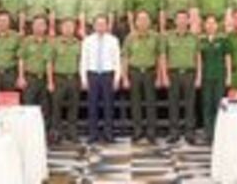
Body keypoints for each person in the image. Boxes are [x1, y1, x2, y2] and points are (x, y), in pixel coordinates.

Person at [122, 10, 162, 143]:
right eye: (140, 19)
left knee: (151, 103)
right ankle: (137, 131)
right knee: (135, 103)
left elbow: (159, 57)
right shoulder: (130, 38)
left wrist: (160, 76)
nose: (143, 22)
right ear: (136, 22)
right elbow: (125, 57)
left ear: (150, 22)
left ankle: (151, 132)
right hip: (135, 72)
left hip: (150, 72)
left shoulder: (156, 37)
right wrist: (125, 77)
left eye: (146, 19)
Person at [80, 15, 121, 144]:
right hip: (92, 74)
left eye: (103, 24)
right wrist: (83, 79)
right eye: (98, 24)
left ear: (107, 25)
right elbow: (84, 60)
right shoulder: (87, 41)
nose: (101, 27)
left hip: (108, 74)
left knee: (109, 106)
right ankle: (93, 134)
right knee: (92, 106)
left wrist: (117, 78)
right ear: (94, 26)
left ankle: (109, 134)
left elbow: (117, 60)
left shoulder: (113, 40)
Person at [161, 11, 199, 144]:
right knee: (173, 104)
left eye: (184, 19)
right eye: (179, 18)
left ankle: (190, 133)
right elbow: (163, 56)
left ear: (188, 21)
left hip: (189, 73)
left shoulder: (194, 37)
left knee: (190, 104)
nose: (182, 21)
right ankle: (174, 133)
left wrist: (198, 76)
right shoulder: (168, 37)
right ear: (175, 21)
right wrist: (164, 75)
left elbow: (198, 57)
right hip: (173, 74)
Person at [199, 15, 231, 143]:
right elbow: (199, 60)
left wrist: (229, 76)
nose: (210, 26)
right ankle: (208, 133)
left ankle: (219, 132)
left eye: (213, 23)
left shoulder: (223, 40)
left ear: (217, 25)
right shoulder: (201, 41)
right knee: (207, 104)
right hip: (206, 77)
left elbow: (227, 58)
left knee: (218, 104)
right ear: (204, 25)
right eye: (208, 23)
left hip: (219, 76)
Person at [49, 18, 82, 144]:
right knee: (56, 107)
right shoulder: (54, 43)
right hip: (59, 78)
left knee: (74, 107)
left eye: (71, 26)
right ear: (61, 28)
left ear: (75, 28)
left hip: (73, 78)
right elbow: (50, 63)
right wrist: (50, 81)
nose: (68, 29)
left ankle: (72, 133)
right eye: (65, 26)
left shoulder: (78, 43)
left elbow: (81, 61)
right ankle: (56, 134)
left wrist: (81, 79)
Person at [17, 16, 52, 119]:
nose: (39, 27)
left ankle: (44, 128)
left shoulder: (49, 42)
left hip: (43, 78)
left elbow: (49, 62)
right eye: (36, 24)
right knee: (28, 106)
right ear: (32, 26)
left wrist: (50, 82)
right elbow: (21, 59)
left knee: (45, 107)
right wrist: (21, 77)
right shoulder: (26, 41)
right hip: (30, 78)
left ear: (46, 27)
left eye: (41, 24)